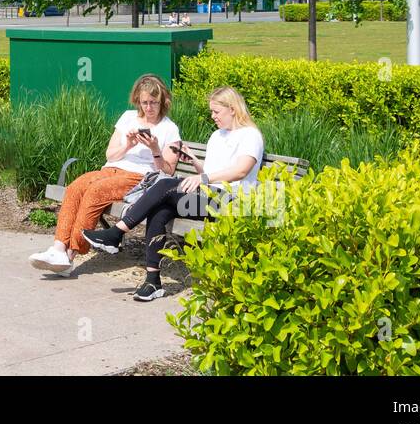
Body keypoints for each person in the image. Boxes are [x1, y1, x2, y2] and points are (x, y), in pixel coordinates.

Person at [83, 86, 264, 301]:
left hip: (231, 201)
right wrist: (194, 161)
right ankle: (152, 282)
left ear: (233, 109)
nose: (212, 116)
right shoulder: (217, 135)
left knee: (165, 184)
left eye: (216, 112)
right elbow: (211, 170)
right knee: (161, 207)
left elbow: (240, 171)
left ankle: (116, 233)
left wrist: (203, 179)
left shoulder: (250, 135)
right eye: (212, 111)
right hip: (208, 195)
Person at [29, 74, 183, 277]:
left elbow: (168, 171)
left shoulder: (169, 129)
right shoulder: (128, 117)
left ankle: (70, 255)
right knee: (76, 186)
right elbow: (110, 154)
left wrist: (155, 148)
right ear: (138, 100)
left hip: (139, 178)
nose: (148, 107)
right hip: (111, 169)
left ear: (163, 101)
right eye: (144, 102)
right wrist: (128, 144)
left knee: (96, 192)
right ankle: (58, 249)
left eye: (153, 102)